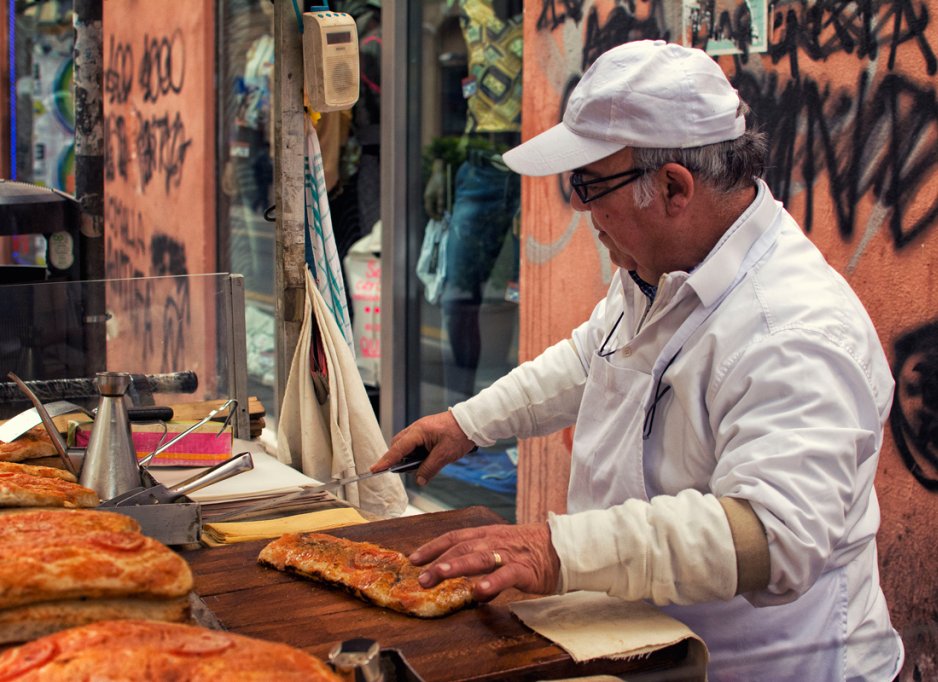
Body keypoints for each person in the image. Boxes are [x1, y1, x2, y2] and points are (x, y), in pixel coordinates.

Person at [372, 40, 903, 680]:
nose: (582, 209)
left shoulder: (792, 328)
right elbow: (593, 357)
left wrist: (554, 550)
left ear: (673, 187)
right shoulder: (662, 267)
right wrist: (468, 424)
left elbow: (769, 535)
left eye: (590, 185)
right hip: (643, 647)